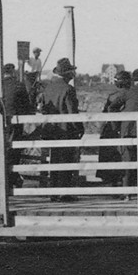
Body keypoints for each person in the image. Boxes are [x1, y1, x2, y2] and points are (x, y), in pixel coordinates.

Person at [41, 57, 84, 200]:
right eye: (71, 72)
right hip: (66, 131)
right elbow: (72, 112)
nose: (73, 74)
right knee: (66, 161)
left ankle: (54, 192)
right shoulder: (68, 89)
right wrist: (79, 128)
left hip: (52, 130)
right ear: (66, 74)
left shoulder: (48, 88)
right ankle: (64, 193)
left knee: (55, 160)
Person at [97, 70, 131, 189]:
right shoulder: (129, 94)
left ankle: (111, 182)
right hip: (121, 128)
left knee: (110, 157)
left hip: (111, 129)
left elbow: (105, 113)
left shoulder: (113, 96)